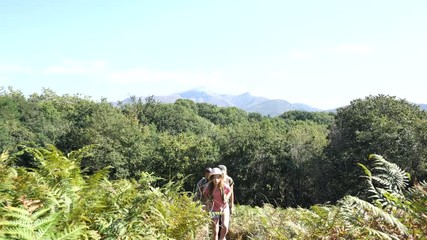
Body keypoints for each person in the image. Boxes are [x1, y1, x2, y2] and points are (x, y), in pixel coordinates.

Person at [203, 167, 231, 240]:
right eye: (214, 177)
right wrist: (208, 201)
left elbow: (230, 191)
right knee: (215, 230)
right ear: (211, 178)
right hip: (214, 208)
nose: (216, 180)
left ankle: (222, 238)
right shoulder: (208, 187)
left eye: (218, 177)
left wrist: (226, 198)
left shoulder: (224, 186)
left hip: (224, 207)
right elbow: (204, 193)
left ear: (220, 178)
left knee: (225, 226)